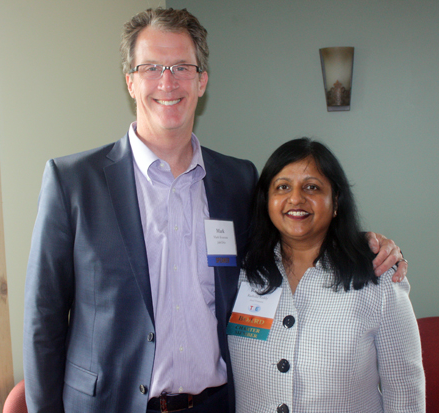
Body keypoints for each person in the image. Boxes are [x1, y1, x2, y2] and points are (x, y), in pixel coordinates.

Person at [23, 8, 406, 413]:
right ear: (130, 81)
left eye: (181, 67)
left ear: (202, 81)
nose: (167, 82)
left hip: (216, 404)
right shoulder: (73, 182)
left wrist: (366, 245)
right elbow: (43, 322)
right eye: (151, 67)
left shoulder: (237, 180)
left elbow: (289, 244)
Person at [228, 138, 424, 413]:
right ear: (267, 201)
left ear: (335, 203)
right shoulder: (241, 272)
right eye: (282, 187)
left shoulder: (376, 276)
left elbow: (404, 390)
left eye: (312, 187)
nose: (296, 198)